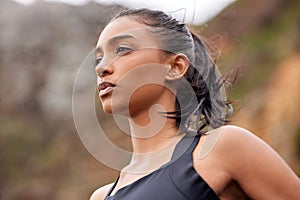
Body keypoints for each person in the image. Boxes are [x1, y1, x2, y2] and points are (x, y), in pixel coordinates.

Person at [90, 8, 300, 200]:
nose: (102, 68)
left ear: (175, 67)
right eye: (98, 59)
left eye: (122, 49)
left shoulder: (223, 149)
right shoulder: (102, 196)